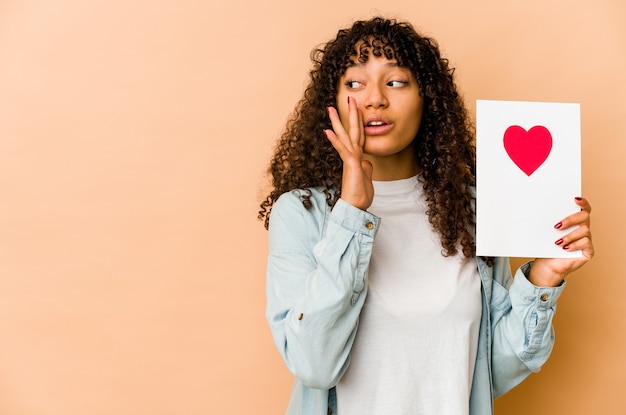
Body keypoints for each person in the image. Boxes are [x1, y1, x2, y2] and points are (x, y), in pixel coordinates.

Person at [258, 17, 594, 415]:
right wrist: (350, 212)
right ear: (331, 102)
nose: (374, 99)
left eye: (395, 81)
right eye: (354, 83)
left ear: (427, 98)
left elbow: (487, 373)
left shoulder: (471, 210)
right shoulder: (303, 212)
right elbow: (315, 365)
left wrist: (544, 276)